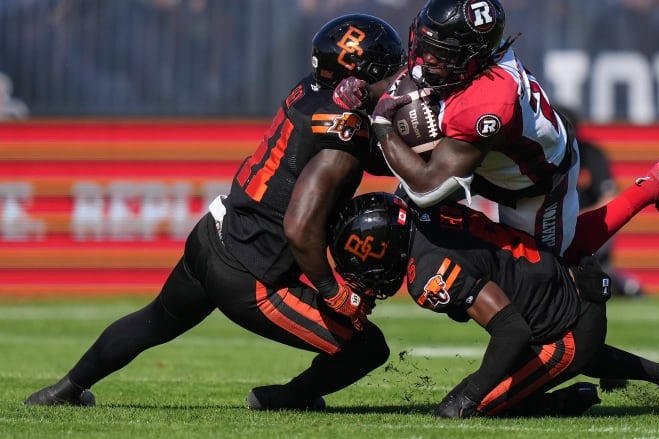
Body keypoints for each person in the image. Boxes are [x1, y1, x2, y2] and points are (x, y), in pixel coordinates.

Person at [24, 14, 407, 409]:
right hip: (251, 276)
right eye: (389, 71)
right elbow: (299, 227)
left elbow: (367, 152)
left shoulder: (313, 91)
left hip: (214, 234)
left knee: (154, 321)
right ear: (360, 78)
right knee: (368, 348)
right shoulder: (340, 141)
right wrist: (333, 292)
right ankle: (283, 399)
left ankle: (62, 390)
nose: (397, 80)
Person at [332, 0, 659, 261]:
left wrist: (380, 121)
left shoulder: (488, 102)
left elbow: (429, 189)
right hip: (488, 156)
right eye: (425, 43)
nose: (425, 58)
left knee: (555, 262)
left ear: (472, 57)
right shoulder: (462, 60)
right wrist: (365, 92)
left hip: (534, 177)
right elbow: (416, 79)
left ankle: (654, 185)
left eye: (439, 51)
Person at [329, 191, 659, 418]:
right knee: (550, 348)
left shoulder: (427, 273)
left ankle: (559, 402)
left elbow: (513, 332)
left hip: (568, 324)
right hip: (567, 276)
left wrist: (466, 396)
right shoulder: (426, 210)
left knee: (466, 408)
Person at [557, 106, 645, 298]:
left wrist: (580, 217)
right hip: (552, 226)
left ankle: (618, 283)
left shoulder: (591, 154)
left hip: (584, 225)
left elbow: (610, 195)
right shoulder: (541, 155)